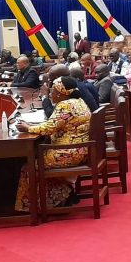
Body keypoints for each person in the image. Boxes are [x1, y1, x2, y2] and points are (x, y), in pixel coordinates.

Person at [14, 76, 91, 212]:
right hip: (80, 150)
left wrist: (28, 128)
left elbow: (49, 128)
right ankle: (61, 197)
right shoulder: (78, 101)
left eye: (52, 91)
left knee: (30, 166)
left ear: (61, 93)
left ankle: (34, 207)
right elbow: (54, 125)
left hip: (68, 152)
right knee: (37, 157)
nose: (50, 94)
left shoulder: (65, 105)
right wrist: (31, 125)